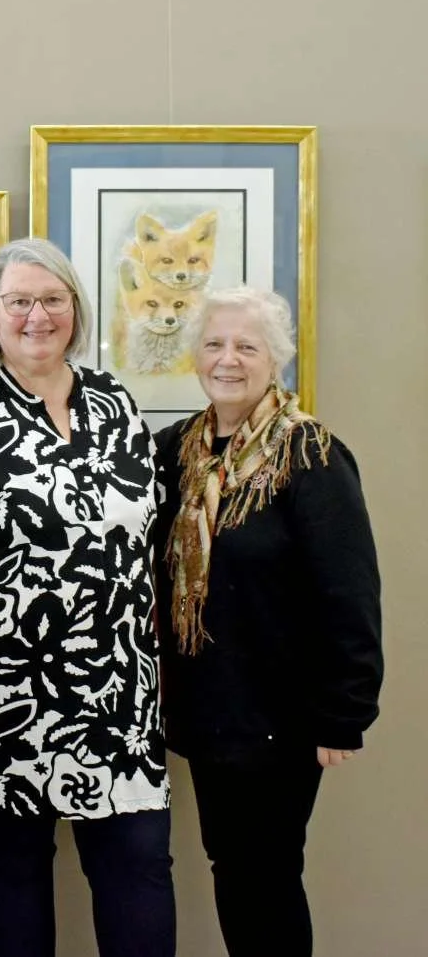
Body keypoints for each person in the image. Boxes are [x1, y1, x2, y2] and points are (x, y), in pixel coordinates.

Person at [0, 238, 175, 957]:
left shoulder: (115, 403)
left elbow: (143, 542)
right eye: (19, 301)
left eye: (53, 300)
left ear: (75, 310)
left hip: (120, 691)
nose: (37, 316)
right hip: (6, 692)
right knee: (13, 868)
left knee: (139, 866)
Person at [153, 285, 383, 957]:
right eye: (214, 344)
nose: (227, 359)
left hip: (282, 717)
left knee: (267, 873)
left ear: (274, 358)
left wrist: (344, 714)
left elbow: (349, 591)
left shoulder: (310, 454)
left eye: (246, 347)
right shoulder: (176, 451)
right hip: (207, 709)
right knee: (232, 866)